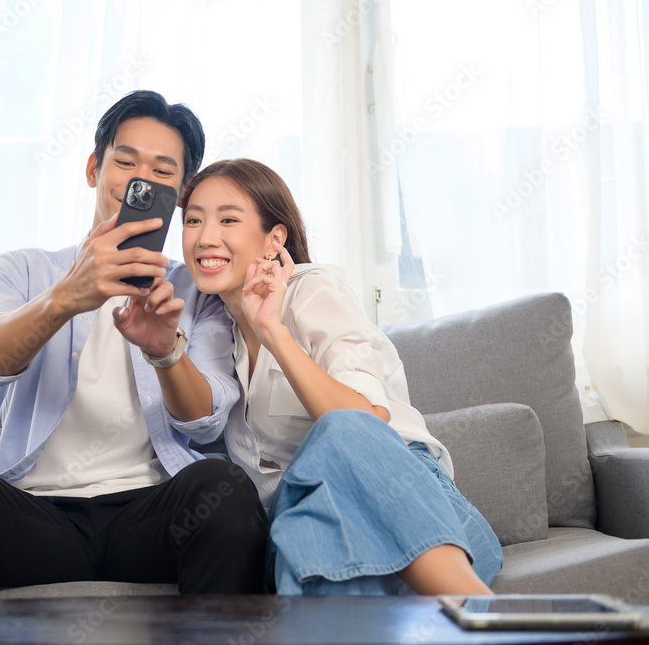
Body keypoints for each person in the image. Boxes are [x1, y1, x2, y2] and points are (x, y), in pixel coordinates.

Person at [0, 92, 268, 601]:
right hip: (37, 515)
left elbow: (205, 419)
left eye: (162, 170)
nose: (141, 180)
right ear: (94, 168)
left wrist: (166, 352)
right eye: (126, 161)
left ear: (181, 193)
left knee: (224, 491)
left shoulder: (198, 293)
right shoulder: (21, 270)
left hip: (149, 513)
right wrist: (67, 296)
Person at [178, 158, 503, 595]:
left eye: (228, 219)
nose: (204, 237)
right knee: (300, 533)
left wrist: (274, 332)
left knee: (342, 432)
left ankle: (465, 599)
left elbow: (362, 421)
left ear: (275, 239)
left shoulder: (312, 292)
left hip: (408, 505)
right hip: (306, 526)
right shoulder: (211, 335)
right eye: (193, 220)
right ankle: (476, 619)